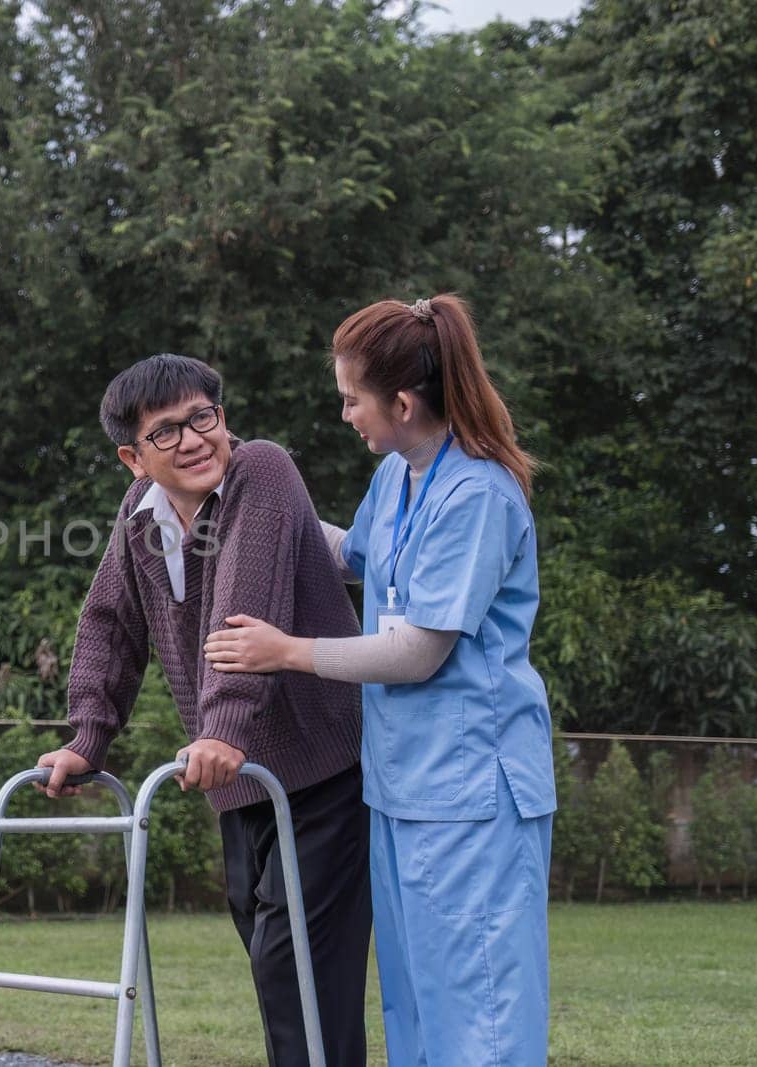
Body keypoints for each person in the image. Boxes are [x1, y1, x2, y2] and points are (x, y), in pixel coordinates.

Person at [204, 295, 556, 1067]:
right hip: (401, 787)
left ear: (401, 402)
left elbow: (417, 651)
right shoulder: (398, 477)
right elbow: (347, 554)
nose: (344, 414)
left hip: (474, 794)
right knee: (416, 1003)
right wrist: (259, 497)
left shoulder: (478, 492)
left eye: (351, 399)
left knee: (480, 1008)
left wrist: (287, 650)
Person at [37, 353, 371, 1067]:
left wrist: (222, 727)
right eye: (166, 431)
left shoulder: (262, 472)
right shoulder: (141, 516)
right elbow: (108, 622)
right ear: (133, 457)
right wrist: (87, 736)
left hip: (323, 764)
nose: (193, 439)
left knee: (298, 964)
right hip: (243, 777)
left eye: (203, 417)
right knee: (269, 950)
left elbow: (242, 605)